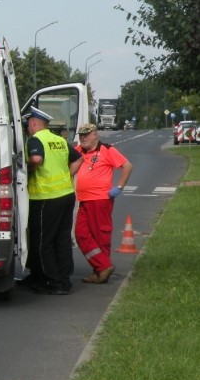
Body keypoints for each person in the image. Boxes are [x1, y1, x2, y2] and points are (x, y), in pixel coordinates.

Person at [24, 108, 83, 295]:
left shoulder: (36, 140)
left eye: (27, 125)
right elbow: (78, 159)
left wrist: (27, 169)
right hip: (66, 194)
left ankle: (49, 281)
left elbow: (36, 159)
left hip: (45, 198)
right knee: (62, 239)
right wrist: (67, 176)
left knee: (43, 241)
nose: (27, 129)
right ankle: (64, 279)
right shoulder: (59, 140)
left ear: (34, 123)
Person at [73, 122, 133, 284]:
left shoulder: (106, 149)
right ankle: (103, 266)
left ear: (95, 134)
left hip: (100, 200)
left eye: (86, 134)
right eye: (81, 135)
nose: (83, 138)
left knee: (100, 236)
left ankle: (100, 271)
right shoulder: (79, 151)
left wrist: (119, 187)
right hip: (84, 200)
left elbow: (127, 166)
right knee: (81, 234)